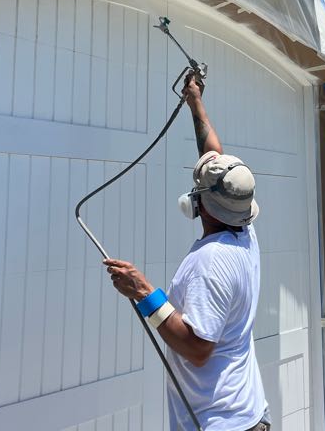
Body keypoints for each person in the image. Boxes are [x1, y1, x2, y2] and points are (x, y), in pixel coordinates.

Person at [104, 73, 270, 431]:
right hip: (248, 412)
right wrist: (195, 102)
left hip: (219, 423)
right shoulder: (245, 233)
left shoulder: (209, 263)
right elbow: (216, 160)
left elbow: (197, 349)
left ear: (203, 206)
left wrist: (143, 293)